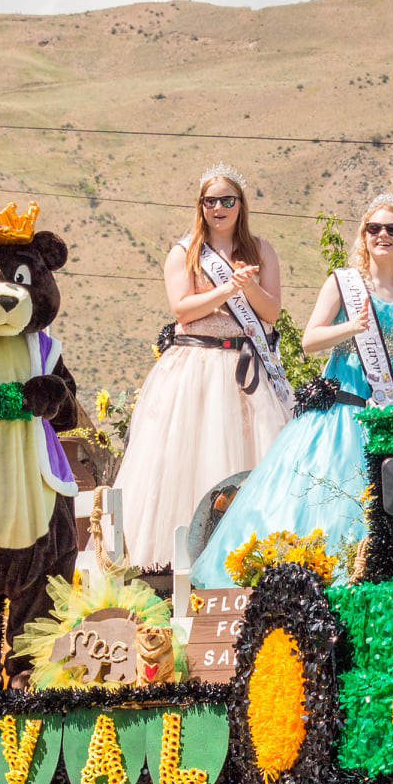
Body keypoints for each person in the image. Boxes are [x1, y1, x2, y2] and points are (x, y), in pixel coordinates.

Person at [190, 193, 393, 587]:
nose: (382, 235)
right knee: (322, 508)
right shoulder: (344, 283)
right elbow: (310, 340)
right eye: (374, 228)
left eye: (392, 229)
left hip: (383, 418)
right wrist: (352, 328)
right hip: (338, 417)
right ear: (364, 237)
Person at [117, 161, 292, 572]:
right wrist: (227, 288)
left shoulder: (260, 250)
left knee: (244, 460)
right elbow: (182, 310)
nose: (218, 208)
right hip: (196, 366)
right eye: (210, 201)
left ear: (240, 205)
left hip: (244, 368)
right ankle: (181, 565)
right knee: (188, 460)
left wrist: (249, 288)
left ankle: (246, 556)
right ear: (200, 206)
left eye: (227, 200)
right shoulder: (185, 252)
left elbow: (272, 313)